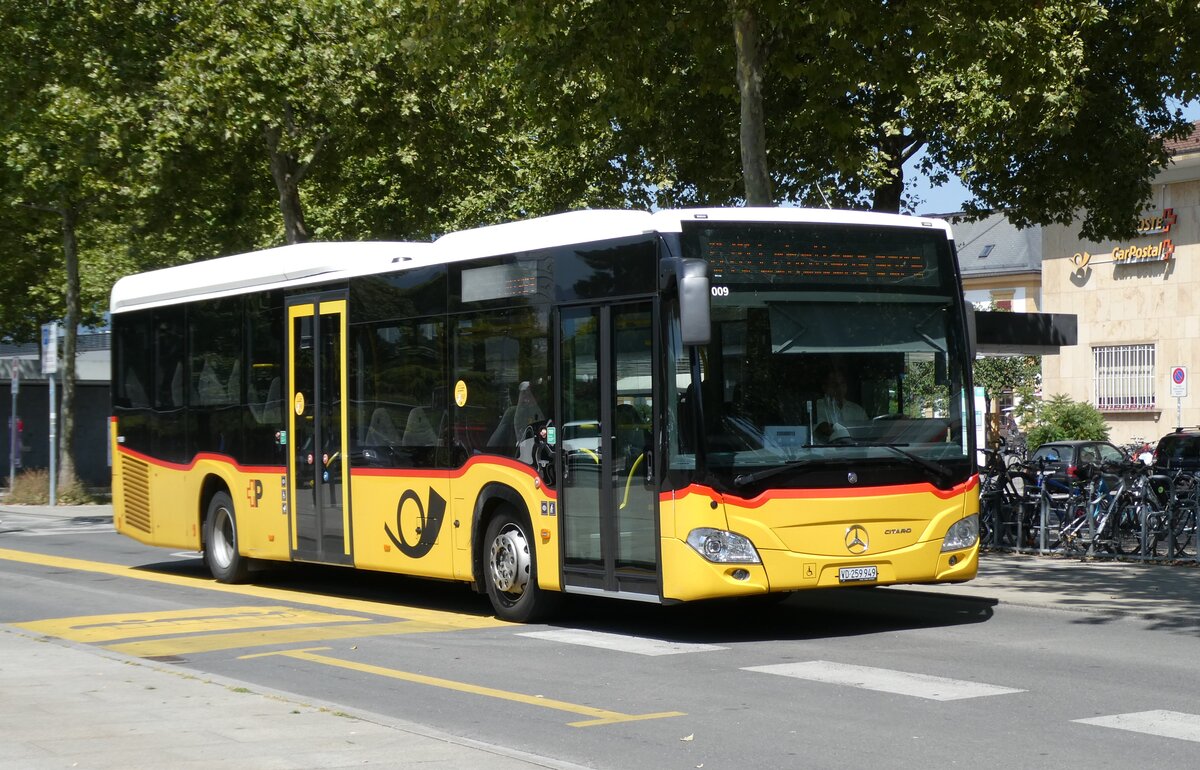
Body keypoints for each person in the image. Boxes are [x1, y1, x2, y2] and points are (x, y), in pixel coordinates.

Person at [814, 366, 867, 442]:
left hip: (855, 451)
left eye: (842, 383)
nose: (839, 388)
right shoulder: (816, 406)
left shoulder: (858, 410)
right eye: (834, 384)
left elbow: (867, 432)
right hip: (826, 452)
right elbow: (823, 428)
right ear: (824, 387)